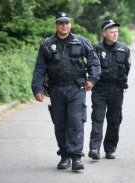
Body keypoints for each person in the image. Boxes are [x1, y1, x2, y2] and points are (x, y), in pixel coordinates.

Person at [31, 12, 101, 171]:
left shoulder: (81, 41)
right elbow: (40, 69)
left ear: (70, 24)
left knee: (76, 121)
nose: (64, 25)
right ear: (56, 24)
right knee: (60, 123)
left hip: (77, 88)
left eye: (66, 23)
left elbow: (94, 63)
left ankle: (76, 157)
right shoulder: (47, 44)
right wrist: (37, 88)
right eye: (61, 23)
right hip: (56, 89)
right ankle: (64, 156)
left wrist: (92, 79)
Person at [88, 20, 131, 160]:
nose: (115, 34)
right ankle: (94, 148)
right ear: (104, 33)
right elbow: (90, 67)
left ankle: (110, 149)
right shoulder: (95, 49)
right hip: (100, 89)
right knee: (98, 118)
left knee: (114, 120)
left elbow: (127, 68)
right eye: (112, 32)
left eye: (116, 32)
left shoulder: (124, 49)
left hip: (117, 89)